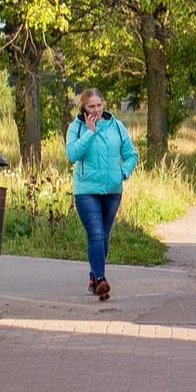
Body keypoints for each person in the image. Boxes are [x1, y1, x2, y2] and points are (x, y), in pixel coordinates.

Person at [63, 88, 137, 302]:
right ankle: (102, 279)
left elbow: (131, 155)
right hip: (86, 190)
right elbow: (72, 154)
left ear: (103, 105)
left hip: (113, 191)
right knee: (95, 234)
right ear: (83, 108)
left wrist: (122, 172)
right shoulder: (76, 128)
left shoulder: (117, 126)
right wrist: (90, 132)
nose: (95, 110)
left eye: (98, 105)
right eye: (90, 106)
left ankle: (93, 278)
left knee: (103, 237)